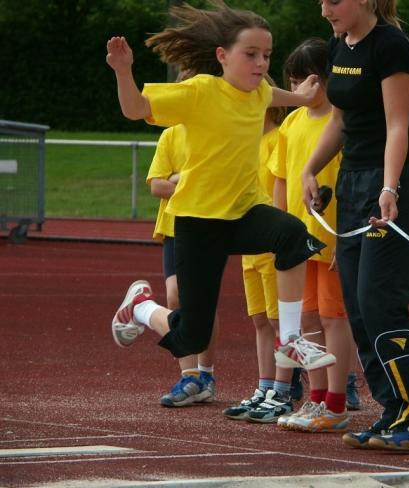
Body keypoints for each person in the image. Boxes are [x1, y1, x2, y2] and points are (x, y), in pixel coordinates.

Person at [107, 1, 336, 375]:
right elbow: (136, 109)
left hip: (244, 212)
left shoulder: (259, 92)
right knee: (191, 339)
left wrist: (305, 96)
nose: (261, 64)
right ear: (222, 56)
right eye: (251, 55)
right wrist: (123, 71)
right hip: (199, 221)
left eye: (266, 55)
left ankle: (290, 339)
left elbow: (279, 97)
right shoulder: (200, 91)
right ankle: (141, 308)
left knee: (293, 235)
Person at [302, 0, 409, 451]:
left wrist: (390, 188)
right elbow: (341, 121)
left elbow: (397, 125)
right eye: (322, 1)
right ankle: (394, 410)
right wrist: (311, 169)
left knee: (380, 301)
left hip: (392, 183)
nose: (326, 9)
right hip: (352, 183)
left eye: (334, 0)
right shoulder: (336, 46)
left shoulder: (391, 45)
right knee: (359, 308)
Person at [265, 38, 354, 432]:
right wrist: (277, 231)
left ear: (323, 79)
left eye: (304, 79)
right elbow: (282, 181)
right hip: (299, 242)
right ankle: (315, 398)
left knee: (335, 319)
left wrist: (347, 236)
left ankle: (335, 402)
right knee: (306, 320)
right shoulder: (291, 124)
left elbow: (353, 181)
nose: (297, 87)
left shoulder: (342, 121)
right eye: (292, 80)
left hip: (333, 238)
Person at [222, 93, 297, 422]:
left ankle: (282, 391)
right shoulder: (241, 140)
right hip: (249, 244)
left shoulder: (276, 138)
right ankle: (265, 387)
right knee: (260, 320)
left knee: (280, 321)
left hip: (271, 241)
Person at [146, 112, 218, 407]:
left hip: (208, 224)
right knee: (175, 297)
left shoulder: (216, 133)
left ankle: (205, 374)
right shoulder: (171, 135)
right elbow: (156, 186)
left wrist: (179, 180)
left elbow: (216, 181)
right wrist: (186, 182)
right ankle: (189, 376)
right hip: (174, 227)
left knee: (202, 300)